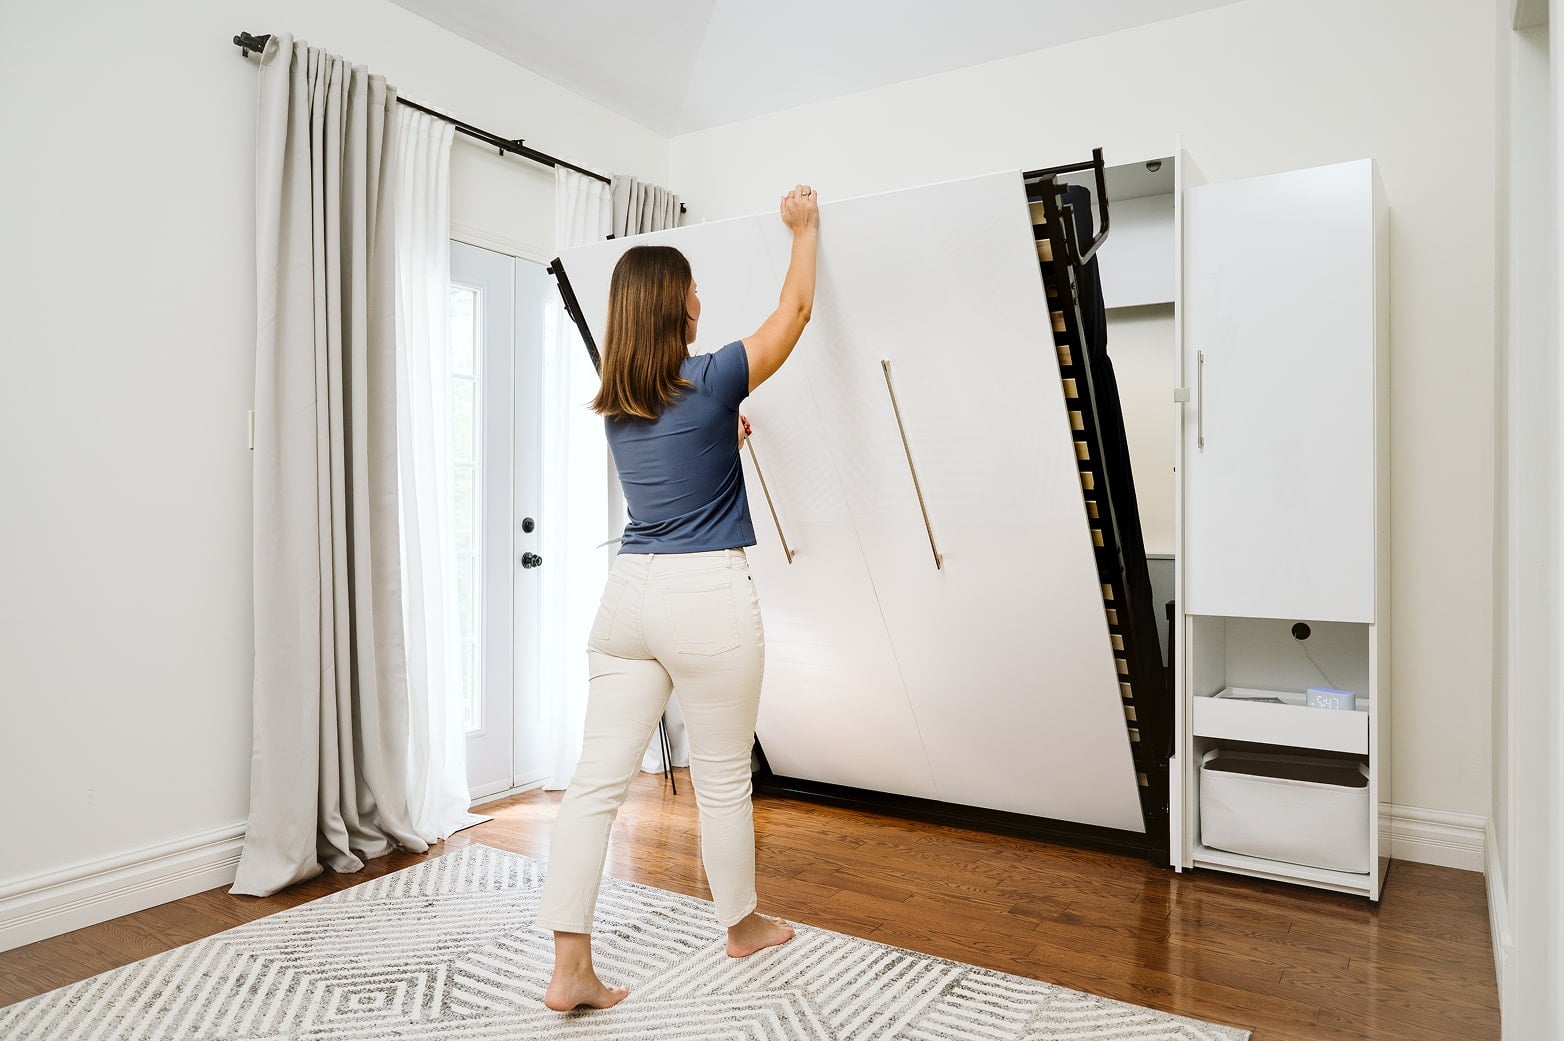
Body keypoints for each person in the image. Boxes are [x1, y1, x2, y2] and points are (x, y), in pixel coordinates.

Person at [537, 184, 821, 1012]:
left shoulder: (618, 407)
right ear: (674, 305)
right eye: (693, 285)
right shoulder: (716, 375)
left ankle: (569, 967)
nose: (702, 296)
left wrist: (720, 432)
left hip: (628, 600)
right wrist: (803, 228)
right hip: (706, 598)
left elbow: (679, 452)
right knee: (725, 778)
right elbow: (795, 310)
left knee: (594, 785)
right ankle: (741, 925)